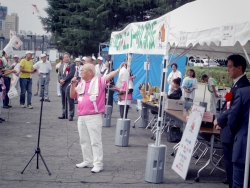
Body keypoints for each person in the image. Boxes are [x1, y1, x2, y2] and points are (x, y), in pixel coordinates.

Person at [70, 60, 123, 173]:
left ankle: (98, 163)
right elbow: (72, 95)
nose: (80, 72)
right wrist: (73, 84)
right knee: (84, 140)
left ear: (90, 72)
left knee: (95, 141)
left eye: (83, 70)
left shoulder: (98, 81)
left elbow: (108, 76)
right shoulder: (81, 83)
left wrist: (118, 70)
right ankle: (87, 160)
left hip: (93, 116)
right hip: (81, 116)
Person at [213, 54, 250, 188]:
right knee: (230, 168)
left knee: (234, 172)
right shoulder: (237, 84)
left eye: (230, 67)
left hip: (234, 134)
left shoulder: (244, 86)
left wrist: (220, 120)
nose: (227, 70)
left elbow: (233, 111)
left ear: (239, 68)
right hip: (230, 132)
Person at [227, 86, 250, 188]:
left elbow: (232, 119)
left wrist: (237, 134)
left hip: (243, 146)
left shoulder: (244, 92)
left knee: (238, 184)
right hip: (243, 145)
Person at [58, 52, 76, 121]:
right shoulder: (61, 66)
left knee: (70, 100)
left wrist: (63, 81)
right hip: (62, 85)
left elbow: (71, 75)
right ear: (63, 58)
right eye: (65, 57)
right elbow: (59, 75)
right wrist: (60, 81)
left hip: (68, 84)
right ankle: (64, 114)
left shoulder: (72, 65)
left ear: (69, 57)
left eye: (67, 57)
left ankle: (71, 115)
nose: (66, 58)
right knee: (63, 100)